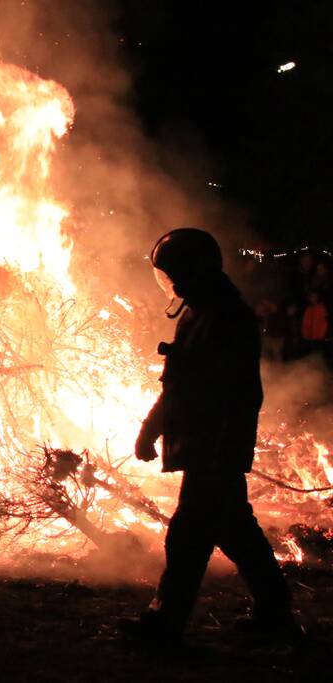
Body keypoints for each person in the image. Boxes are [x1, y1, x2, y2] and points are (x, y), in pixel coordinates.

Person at [121, 228, 302, 645]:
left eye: (177, 274)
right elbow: (177, 386)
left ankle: (163, 623)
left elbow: (241, 395)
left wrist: (225, 452)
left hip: (214, 451)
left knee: (187, 537)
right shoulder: (198, 313)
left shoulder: (227, 317)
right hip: (206, 448)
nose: (174, 284)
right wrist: (150, 430)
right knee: (237, 532)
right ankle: (276, 613)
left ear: (197, 270)